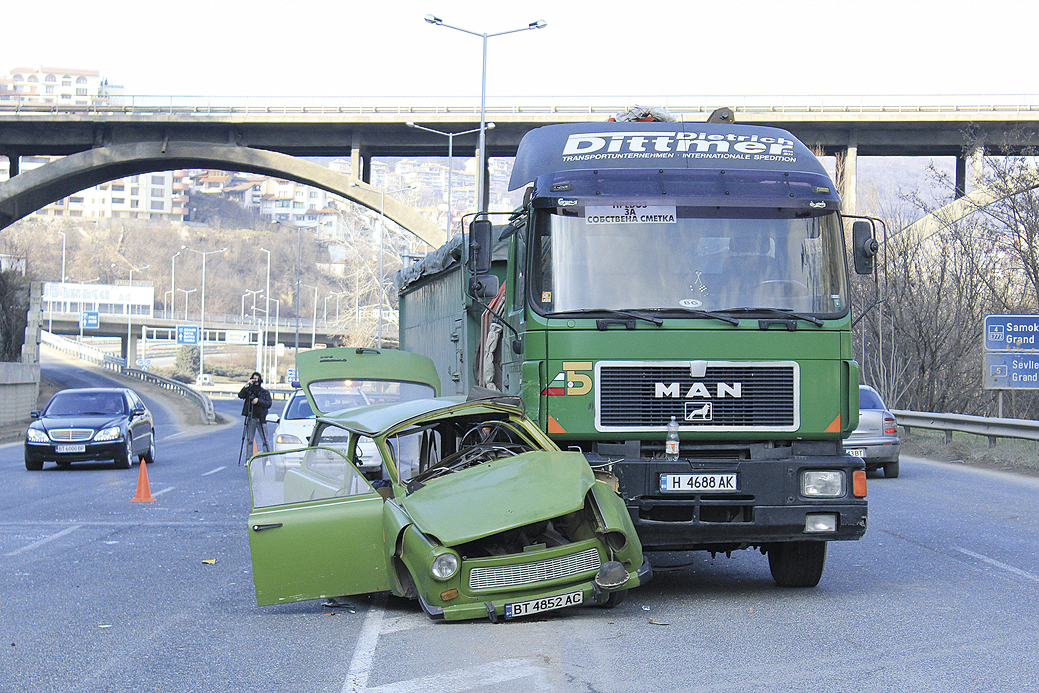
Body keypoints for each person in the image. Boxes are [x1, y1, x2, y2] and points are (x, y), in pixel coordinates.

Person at [238, 371, 272, 453]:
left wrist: (258, 401)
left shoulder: (264, 392)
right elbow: (240, 395)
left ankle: (267, 457)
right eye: (254, 379)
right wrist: (246, 385)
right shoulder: (248, 391)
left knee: (265, 440)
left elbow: (268, 403)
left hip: (261, 418)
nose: (256, 381)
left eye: (257, 379)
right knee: (250, 440)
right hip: (251, 418)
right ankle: (249, 459)